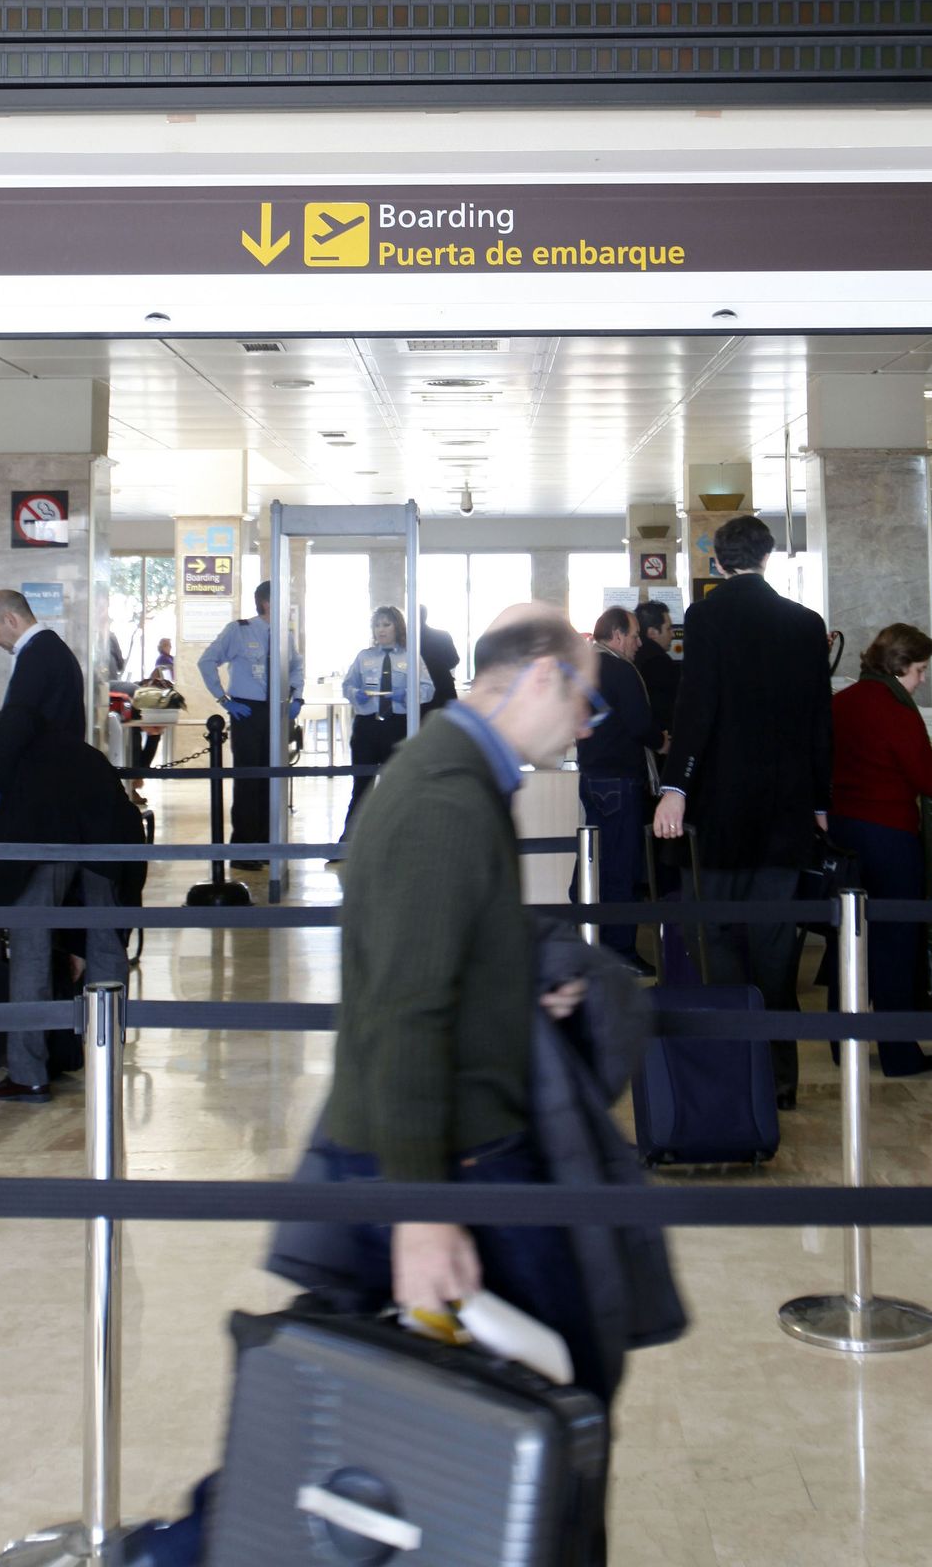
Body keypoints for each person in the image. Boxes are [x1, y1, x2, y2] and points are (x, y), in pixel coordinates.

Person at [314, 606, 625, 1560]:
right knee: (544, 1421)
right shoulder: (444, 797)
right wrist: (420, 1213)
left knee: (547, 1413)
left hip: (462, 1151)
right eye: (585, 700)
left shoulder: (464, 779)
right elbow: (404, 1011)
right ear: (536, 678)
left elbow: (447, 960)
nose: (585, 725)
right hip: (444, 1167)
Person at [653, 515, 833, 1110]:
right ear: (768, 557)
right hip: (784, 811)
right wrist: (820, 801)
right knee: (776, 945)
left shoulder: (706, 617)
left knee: (719, 938)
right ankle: (782, 1080)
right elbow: (818, 721)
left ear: (717, 562)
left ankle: (738, 1070)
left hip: (722, 808)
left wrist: (676, 786)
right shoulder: (806, 624)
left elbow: (697, 704)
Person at [828, 622, 932, 1077]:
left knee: (847, 937)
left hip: (843, 831)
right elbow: (930, 780)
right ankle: (898, 1052)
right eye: (919, 670)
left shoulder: (842, 702)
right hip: (890, 835)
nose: (923, 679)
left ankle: (840, 1041)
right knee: (895, 941)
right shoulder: (896, 708)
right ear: (899, 667)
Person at [0, 721, 147, 1102]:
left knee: (30, 946)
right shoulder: (84, 753)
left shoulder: (15, 760)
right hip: (108, 850)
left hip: (46, 847)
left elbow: (1, 858)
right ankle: (107, 1058)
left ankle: (28, 1072)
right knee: (106, 944)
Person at [197, 580, 304, 864]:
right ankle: (244, 850)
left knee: (271, 780)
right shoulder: (239, 630)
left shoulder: (284, 636)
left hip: (277, 710)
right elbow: (207, 661)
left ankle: (267, 847)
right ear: (267, 602)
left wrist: (297, 697)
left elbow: (295, 666)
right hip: (248, 712)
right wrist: (223, 699)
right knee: (248, 781)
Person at [571, 606, 654, 968]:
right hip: (619, 779)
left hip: (591, 776)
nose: (638, 643)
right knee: (621, 867)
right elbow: (640, 725)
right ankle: (620, 952)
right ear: (617, 636)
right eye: (635, 635)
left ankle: (587, 941)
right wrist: (662, 740)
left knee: (593, 862)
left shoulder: (582, 668)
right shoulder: (621, 670)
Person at [340, 604, 434, 835]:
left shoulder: (411, 657)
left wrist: (408, 695)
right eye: (377, 625)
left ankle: (399, 839)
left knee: (398, 786)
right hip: (367, 727)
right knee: (361, 785)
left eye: (386, 624)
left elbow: (428, 689)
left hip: (397, 726)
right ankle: (348, 842)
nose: (380, 630)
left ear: (397, 627)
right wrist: (355, 694)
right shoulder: (364, 657)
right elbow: (348, 685)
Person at [0, 590, 86, 786]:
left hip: (42, 776)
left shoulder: (36, 654)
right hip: (62, 770)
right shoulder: (53, 647)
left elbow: (18, 718)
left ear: (10, 619)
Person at [633, 599, 682, 755]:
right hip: (659, 745)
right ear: (653, 633)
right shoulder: (658, 662)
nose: (673, 634)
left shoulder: (633, 657)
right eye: (668, 629)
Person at [418, 602, 460, 712]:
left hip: (420, 689)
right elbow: (454, 660)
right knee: (444, 724)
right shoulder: (442, 635)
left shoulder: (406, 639)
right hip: (443, 685)